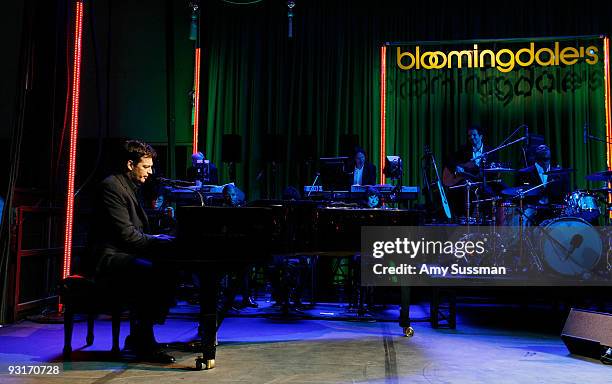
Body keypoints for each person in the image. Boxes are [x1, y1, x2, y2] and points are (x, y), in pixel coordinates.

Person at [89, 140, 176, 364]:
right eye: (146, 167)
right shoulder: (112, 186)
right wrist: (158, 241)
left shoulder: (127, 187)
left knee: (167, 268)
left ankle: (140, 334)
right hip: (108, 257)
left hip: (123, 253)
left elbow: (136, 231)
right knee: (152, 272)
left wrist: (160, 239)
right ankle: (143, 339)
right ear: (130, 164)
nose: (150, 172)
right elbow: (126, 235)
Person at [444, 125, 501, 219]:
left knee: (499, 190)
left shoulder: (491, 151)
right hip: (468, 180)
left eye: (474, 135)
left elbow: (494, 171)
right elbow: (449, 160)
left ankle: (491, 219)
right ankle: (464, 217)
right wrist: (456, 167)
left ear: (481, 136)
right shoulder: (464, 150)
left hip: (483, 180)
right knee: (460, 190)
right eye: (469, 136)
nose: (471, 138)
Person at [517, 144, 570, 225]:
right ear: (534, 156)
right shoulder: (524, 173)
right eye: (540, 147)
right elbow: (518, 195)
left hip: (555, 213)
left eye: (545, 147)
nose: (543, 148)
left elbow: (566, 195)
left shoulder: (561, 174)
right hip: (533, 213)